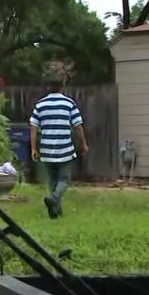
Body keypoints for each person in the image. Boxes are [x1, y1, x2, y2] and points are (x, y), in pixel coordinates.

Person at [29, 80, 88, 218]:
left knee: (53, 181)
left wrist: (33, 148)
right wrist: (83, 144)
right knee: (64, 180)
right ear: (62, 87)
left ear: (48, 87)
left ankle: (56, 212)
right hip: (64, 149)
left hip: (47, 149)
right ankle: (54, 198)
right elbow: (78, 126)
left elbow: (33, 127)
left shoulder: (40, 104)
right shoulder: (69, 103)